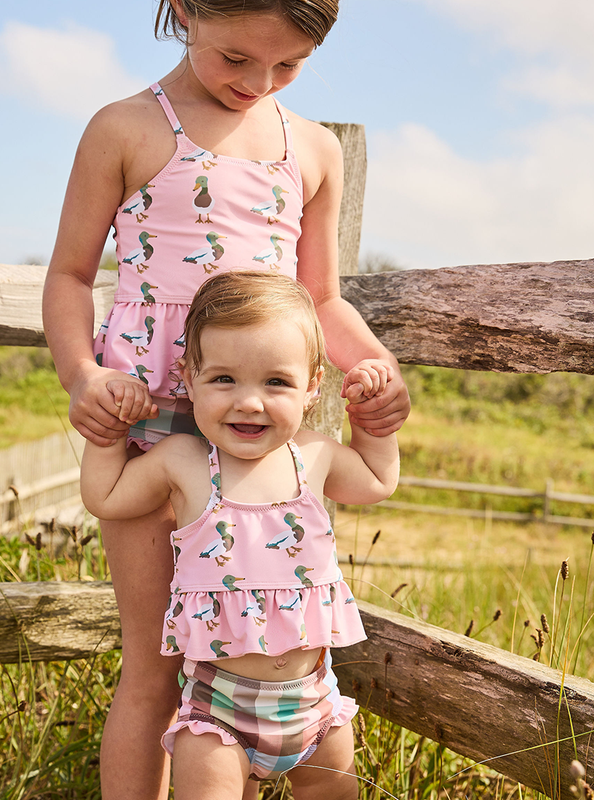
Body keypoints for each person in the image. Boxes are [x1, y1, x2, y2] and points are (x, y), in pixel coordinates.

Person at [42, 2, 410, 797]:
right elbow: (70, 274)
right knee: (156, 662)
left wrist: (375, 369)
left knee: (248, 640)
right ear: (183, 10)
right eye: (237, 57)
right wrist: (84, 378)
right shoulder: (128, 128)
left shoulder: (309, 148)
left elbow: (319, 296)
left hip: (265, 426)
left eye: (288, 66)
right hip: (147, 417)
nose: (260, 82)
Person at [81, 271, 400, 799]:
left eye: (276, 382)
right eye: (224, 380)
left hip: (315, 705)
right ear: (188, 377)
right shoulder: (183, 462)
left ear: (312, 385)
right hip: (219, 714)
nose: (249, 402)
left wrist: (371, 417)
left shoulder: (314, 456)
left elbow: (377, 478)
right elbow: (107, 497)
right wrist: (110, 430)